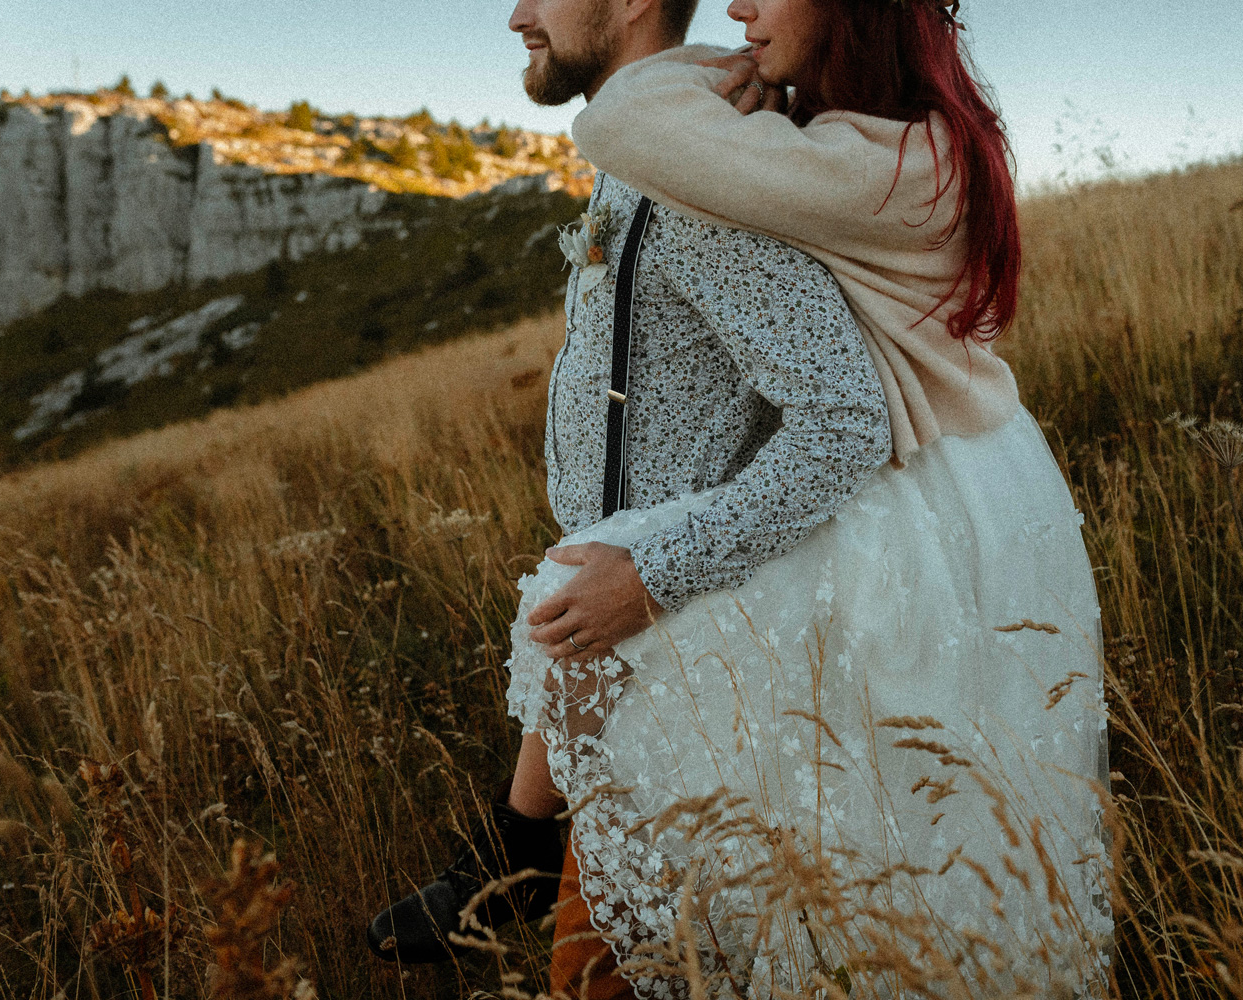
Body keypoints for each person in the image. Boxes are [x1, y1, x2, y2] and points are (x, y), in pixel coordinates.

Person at [365, 0, 893, 992]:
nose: (516, 13)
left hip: (689, 718)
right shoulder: (645, 152)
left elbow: (845, 420)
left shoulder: (696, 176)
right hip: (621, 708)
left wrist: (647, 574)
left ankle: (517, 850)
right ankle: (516, 843)